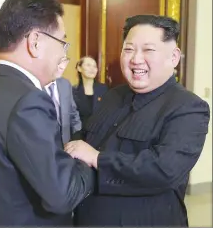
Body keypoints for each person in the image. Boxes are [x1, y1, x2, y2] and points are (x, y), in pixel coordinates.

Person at [65, 15, 210, 227]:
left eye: (148, 50)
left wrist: (97, 158)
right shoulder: (113, 96)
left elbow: (164, 169)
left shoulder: (188, 107)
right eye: (129, 49)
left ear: (174, 57)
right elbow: (85, 138)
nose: (136, 59)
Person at [0, 0, 94, 226]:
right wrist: (88, 161)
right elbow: (62, 194)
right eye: (62, 43)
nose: (64, 54)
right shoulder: (29, 100)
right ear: (35, 42)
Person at [44, 56, 82, 144]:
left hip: (66, 143)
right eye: (59, 61)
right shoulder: (34, 84)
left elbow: (73, 112)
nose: (62, 66)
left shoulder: (65, 84)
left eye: (65, 61)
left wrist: (77, 136)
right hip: (45, 144)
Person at [72, 56, 108, 127]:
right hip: (79, 132)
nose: (92, 69)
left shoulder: (104, 89)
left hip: (99, 132)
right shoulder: (72, 91)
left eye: (95, 66)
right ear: (79, 68)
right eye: (88, 65)